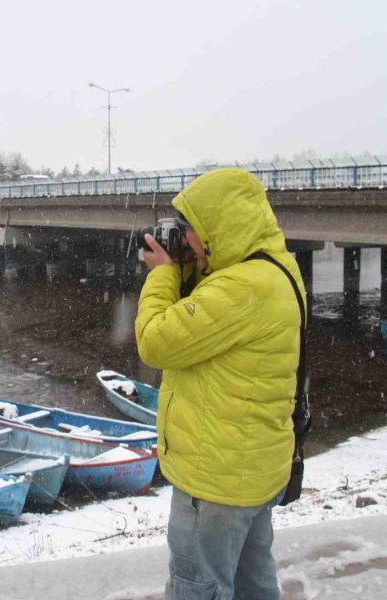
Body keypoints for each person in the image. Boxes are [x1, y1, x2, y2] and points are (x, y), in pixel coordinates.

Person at [135, 168, 305, 600]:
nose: (185, 239)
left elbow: (155, 342)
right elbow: (214, 331)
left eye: (190, 230)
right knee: (255, 583)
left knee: (200, 588)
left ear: (215, 228)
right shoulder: (277, 270)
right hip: (255, 470)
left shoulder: (240, 289)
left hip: (215, 483)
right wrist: (197, 267)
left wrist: (163, 273)